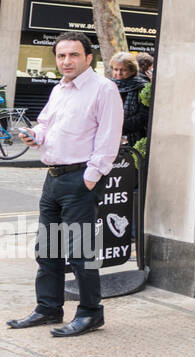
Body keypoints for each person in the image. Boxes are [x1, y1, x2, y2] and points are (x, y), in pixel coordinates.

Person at [4, 32, 123, 337]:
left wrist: (90, 178)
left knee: (81, 252)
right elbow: (46, 125)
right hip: (53, 178)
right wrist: (35, 135)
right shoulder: (60, 88)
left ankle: (91, 313)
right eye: (61, 56)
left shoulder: (104, 89)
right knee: (47, 249)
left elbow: (109, 140)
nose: (66, 61)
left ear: (88, 58)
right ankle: (48, 308)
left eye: (73, 55)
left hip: (80, 178)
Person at [110, 52, 149, 148]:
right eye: (116, 69)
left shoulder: (142, 87)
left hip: (134, 137)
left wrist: (119, 127)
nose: (118, 73)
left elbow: (143, 116)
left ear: (132, 70)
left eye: (123, 70)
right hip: (110, 136)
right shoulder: (108, 86)